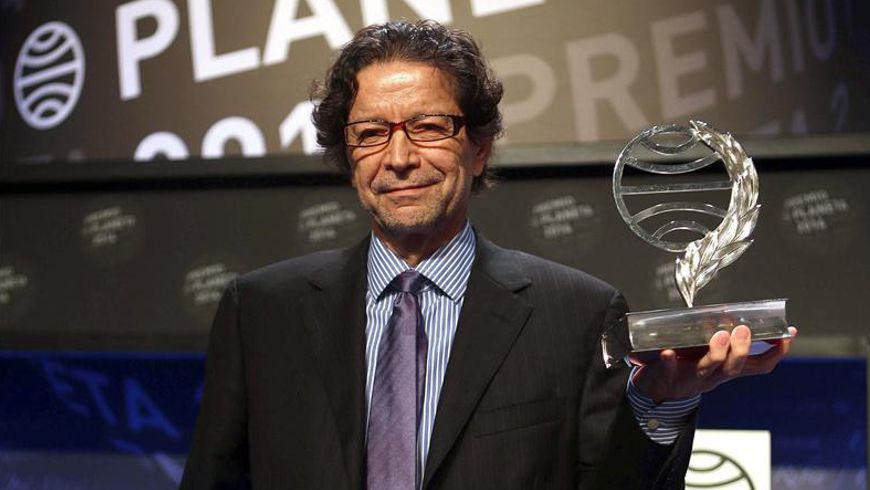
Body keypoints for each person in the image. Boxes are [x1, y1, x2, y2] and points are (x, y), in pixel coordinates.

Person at [180, 20, 796, 489]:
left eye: (428, 127)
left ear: (479, 149)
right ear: (348, 159)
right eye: (371, 134)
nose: (398, 158)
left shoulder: (578, 314)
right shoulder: (260, 311)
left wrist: (661, 404)